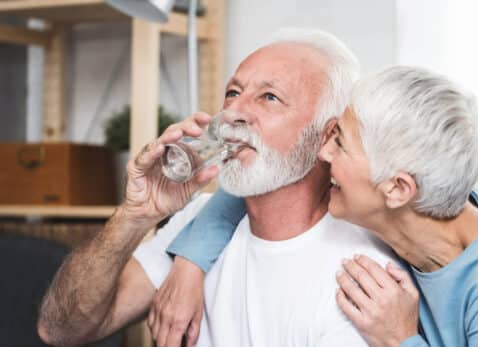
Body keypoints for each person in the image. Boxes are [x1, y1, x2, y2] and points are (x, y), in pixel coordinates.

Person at [38, 28, 396, 347]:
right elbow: (61, 330)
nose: (236, 112)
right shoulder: (196, 222)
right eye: (233, 92)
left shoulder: (363, 275)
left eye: (269, 97)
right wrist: (135, 216)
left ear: (327, 135)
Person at [158, 66, 478, 347]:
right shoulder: (425, 204)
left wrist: (399, 338)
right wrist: (191, 262)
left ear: (396, 188)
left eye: (340, 144)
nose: (323, 153)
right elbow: (257, 186)